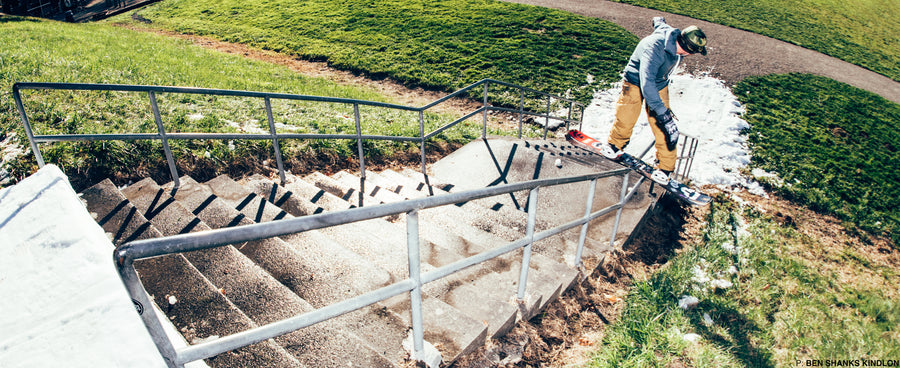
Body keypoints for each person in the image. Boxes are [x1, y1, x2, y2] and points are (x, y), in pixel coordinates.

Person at [600, 17, 707, 185]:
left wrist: (658, 20)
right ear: (689, 50)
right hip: (635, 80)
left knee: (664, 127)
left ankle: (665, 168)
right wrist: (662, 112)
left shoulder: (673, 36)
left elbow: (660, 24)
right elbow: (646, 82)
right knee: (627, 115)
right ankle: (615, 145)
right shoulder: (655, 47)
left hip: (659, 84)